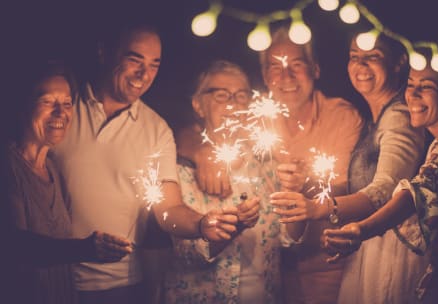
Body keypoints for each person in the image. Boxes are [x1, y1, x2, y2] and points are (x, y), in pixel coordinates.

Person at [52, 24, 237, 304]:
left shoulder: (156, 130)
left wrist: (201, 224)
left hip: (120, 285)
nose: (144, 74)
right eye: (134, 60)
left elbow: (169, 207)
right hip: (51, 277)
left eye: (154, 65)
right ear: (105, 53)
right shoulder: (63, 109)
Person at [323, 53, 438, 303]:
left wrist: (361, 230)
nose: (414, 95)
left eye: (427, 86)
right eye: (411, 84)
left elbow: (417, 194)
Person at [271, 31, 427, 304]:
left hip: (392, 251)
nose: (361, 66)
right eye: (354, 57)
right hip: (367, 250)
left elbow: (385, 189)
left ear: (398, 62)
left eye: (373, 57)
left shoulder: (399, 117)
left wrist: (320, 208)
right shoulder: (377, 118)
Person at [165, 60, 302, 303]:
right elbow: (189, 255)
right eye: (221, 95)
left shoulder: (268, 168)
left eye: (241, 96)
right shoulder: (179, 172)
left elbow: (288, 239)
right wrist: (235, 225)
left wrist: (296, 196)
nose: (233, 103)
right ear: (198, 105)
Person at [4, 61, 133, 304]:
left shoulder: (53, 169)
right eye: (47, 102)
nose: (60, 113)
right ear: (23, 105)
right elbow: (15, 246)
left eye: (66, 104)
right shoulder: (9, 167)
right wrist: (85, 249)